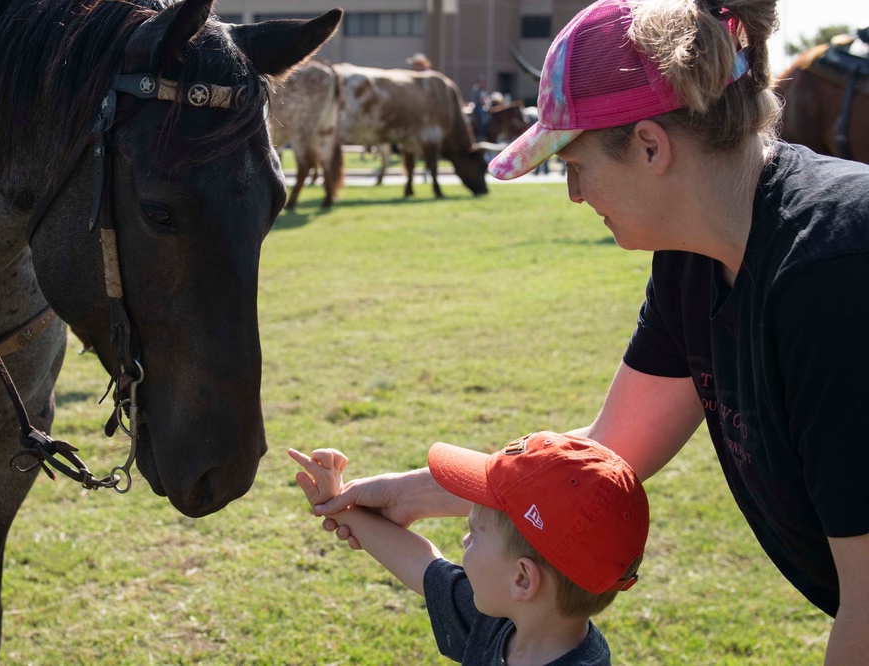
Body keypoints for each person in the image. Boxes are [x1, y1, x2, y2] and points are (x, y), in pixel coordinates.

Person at [314, 0, 869, 663]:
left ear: (649, 146)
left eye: (575, 167)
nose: (574, 195)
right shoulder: (693, 259)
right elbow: (610, 451)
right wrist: (411, 494)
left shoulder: (832, 274)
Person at [289, 430, 649, 665]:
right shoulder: (502, 623)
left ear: (523, 579)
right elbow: (421, 565)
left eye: (474, 534)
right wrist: (338, 502)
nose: (463, 541)